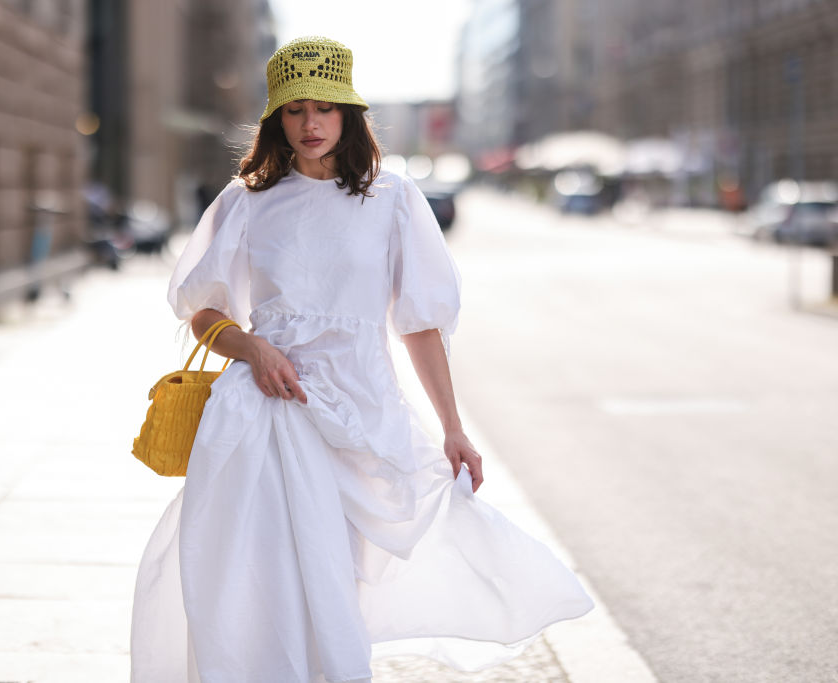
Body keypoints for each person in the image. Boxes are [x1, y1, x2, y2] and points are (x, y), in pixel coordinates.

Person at [130, 36, 593, 683]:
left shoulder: (391, 198)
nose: (310, 123)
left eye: (325, 107)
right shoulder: (247, 200)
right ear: (276, 119)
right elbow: (201, 310)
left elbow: (420, 326)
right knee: (259, 582)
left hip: (362, 414)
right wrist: (253, 346)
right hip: (265, 413)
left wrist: (453, 427)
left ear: (348, 114)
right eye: (295, 110)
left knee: (335, 588)